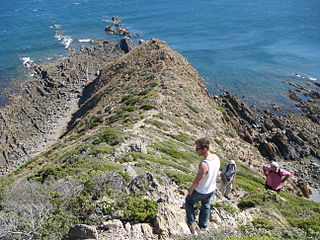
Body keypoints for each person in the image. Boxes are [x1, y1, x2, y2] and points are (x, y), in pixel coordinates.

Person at [185, 138, 220, 236]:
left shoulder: (204, 164)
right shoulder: (216, 158)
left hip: (201, 191)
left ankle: (192, 223)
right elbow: (217, 173)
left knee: (188, 202)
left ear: (204, 149)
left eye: (197, 149)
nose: (196, 151)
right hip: (211, 189)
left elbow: (198, 181)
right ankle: (204, 226)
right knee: (206, 206)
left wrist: (191, 189)